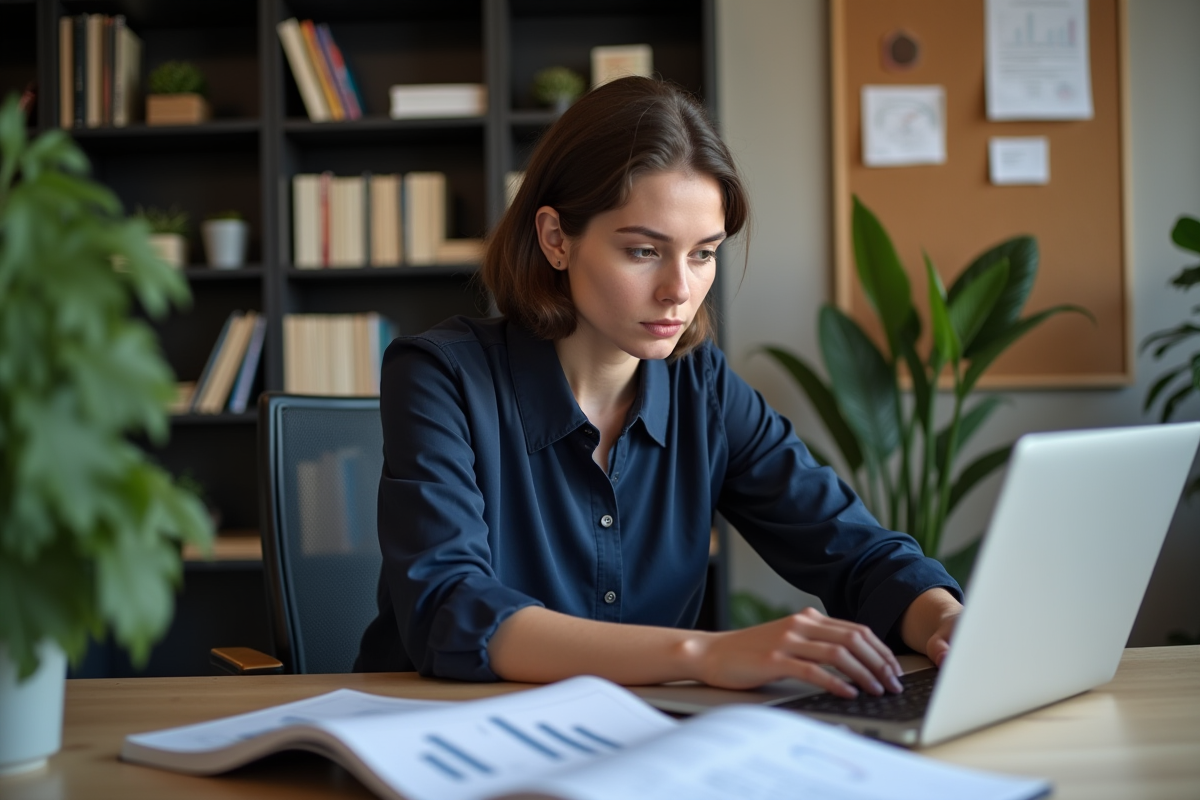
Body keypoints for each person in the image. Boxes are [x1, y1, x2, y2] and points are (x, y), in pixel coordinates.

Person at [355, 76, 963, 699]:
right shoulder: (440, 375)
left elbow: (857, 551)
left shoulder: (704, 388)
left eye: (703, 254)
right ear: (556, 239)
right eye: (645, 251)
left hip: (637, 744)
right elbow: (451, 608)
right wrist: (702, 653)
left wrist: (945, 619)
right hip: (441, 736)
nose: (680, 288)